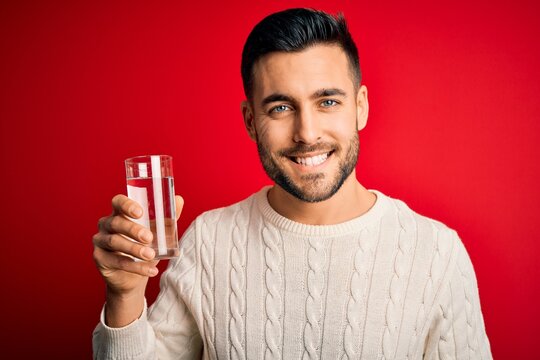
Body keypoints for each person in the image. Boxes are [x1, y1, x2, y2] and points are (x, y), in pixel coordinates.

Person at [92, 8, 492, 359]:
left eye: (328, 102)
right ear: (251, 121)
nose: (307, 132)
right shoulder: (209, 242)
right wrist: (125, 296)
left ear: (361, 107)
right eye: (281, 107)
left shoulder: (437, 253)